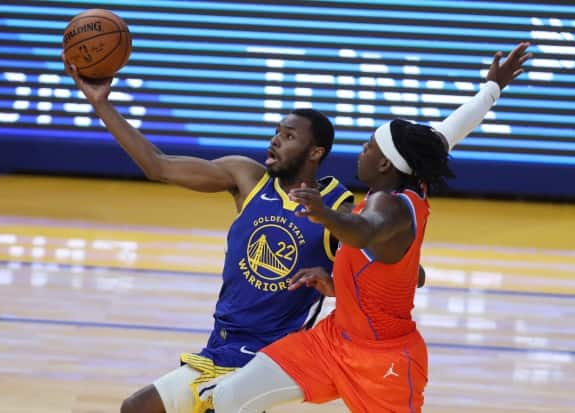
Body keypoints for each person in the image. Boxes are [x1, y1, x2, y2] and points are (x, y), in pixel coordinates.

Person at [211, 42, 532, 413]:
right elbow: (451, 130)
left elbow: (363, 231)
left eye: (369, 147)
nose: (362, 151)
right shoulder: (411, 176)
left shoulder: (391, 205)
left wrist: (323, 213)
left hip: (384, 363)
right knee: (229, 397)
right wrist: (492, 88)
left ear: (385, 166)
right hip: (332, 341)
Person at [62, 55, 356, 413]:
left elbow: (367, 281)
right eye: (277, 131)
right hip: (220, 345)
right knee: (135, 408)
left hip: (272, 357)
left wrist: (333, 281)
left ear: (315, 152)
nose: (276, 140)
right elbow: (159, 166)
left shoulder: (338, 207)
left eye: (289, 136)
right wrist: (101, 104)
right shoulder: (247, 178)